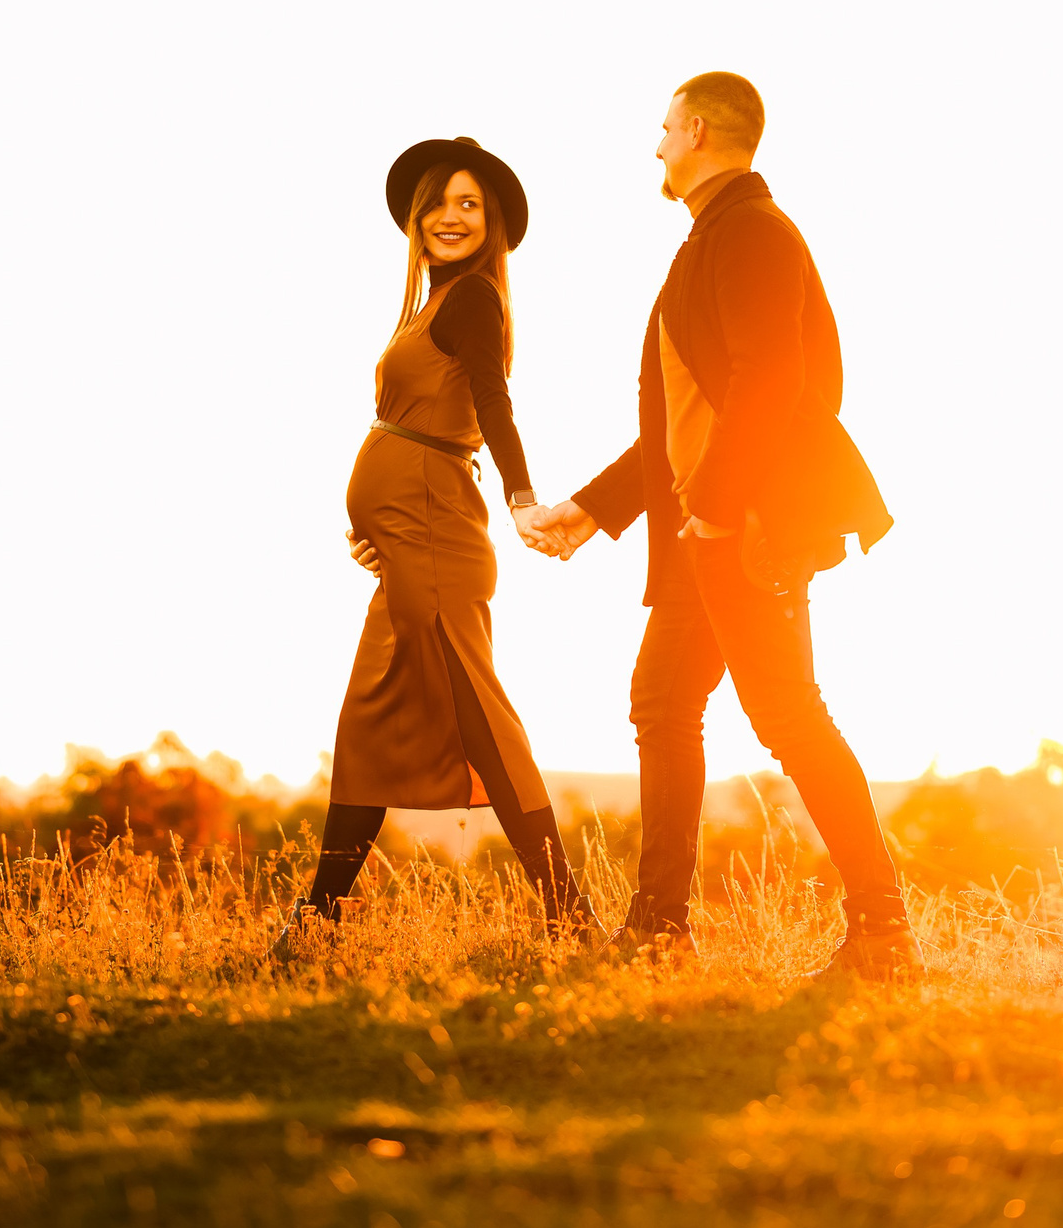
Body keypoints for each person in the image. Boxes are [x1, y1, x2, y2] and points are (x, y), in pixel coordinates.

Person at [524, 74, 917, 977]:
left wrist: (714, 511)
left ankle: (884, 932)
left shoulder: (751, 234)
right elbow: (682, 415)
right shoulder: (712, 240)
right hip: (709, 528)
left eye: (663, 128)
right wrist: (591, 511)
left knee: (788, 715)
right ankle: (661, 928)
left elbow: (770, 380)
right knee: (664, 701)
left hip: (745, 530)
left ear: (698, 129)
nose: (655, 145)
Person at [282, 137, 604, 952]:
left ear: (490, 223)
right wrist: (376, 526)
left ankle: (568, 910)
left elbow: (494, 402)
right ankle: (317, 920)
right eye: (439, 203)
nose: (451, 216)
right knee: (369, 722)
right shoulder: (433, 303)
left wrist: (523, 495)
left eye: (470, 204)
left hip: (438, 539)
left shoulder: (472, 302)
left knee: (482, 719)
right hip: (410, 540)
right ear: (416, 219)